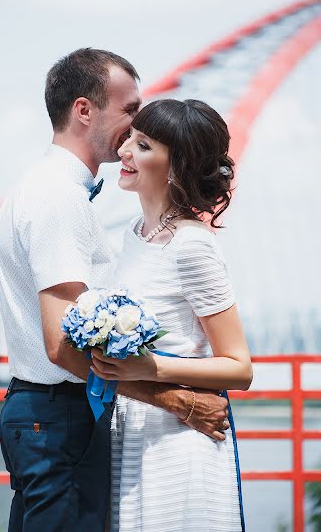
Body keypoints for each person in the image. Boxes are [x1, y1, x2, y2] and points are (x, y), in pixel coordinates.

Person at [0, 50, 231, 532]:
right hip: (58, 416)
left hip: (50, 416)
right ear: (84, 110)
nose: (135, 126)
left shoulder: (49, 188)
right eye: (129, 112)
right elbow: (60, 344)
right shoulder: (59, 197)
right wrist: (175, 400)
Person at [91, 98, 253, 532]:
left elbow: (239, 367)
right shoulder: (133, 234)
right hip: (134, 430)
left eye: (143, 146)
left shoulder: (191, 245)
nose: (124, 151)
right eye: (130, 138)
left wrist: (150, 366)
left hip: (180, 437)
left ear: (177, 166)